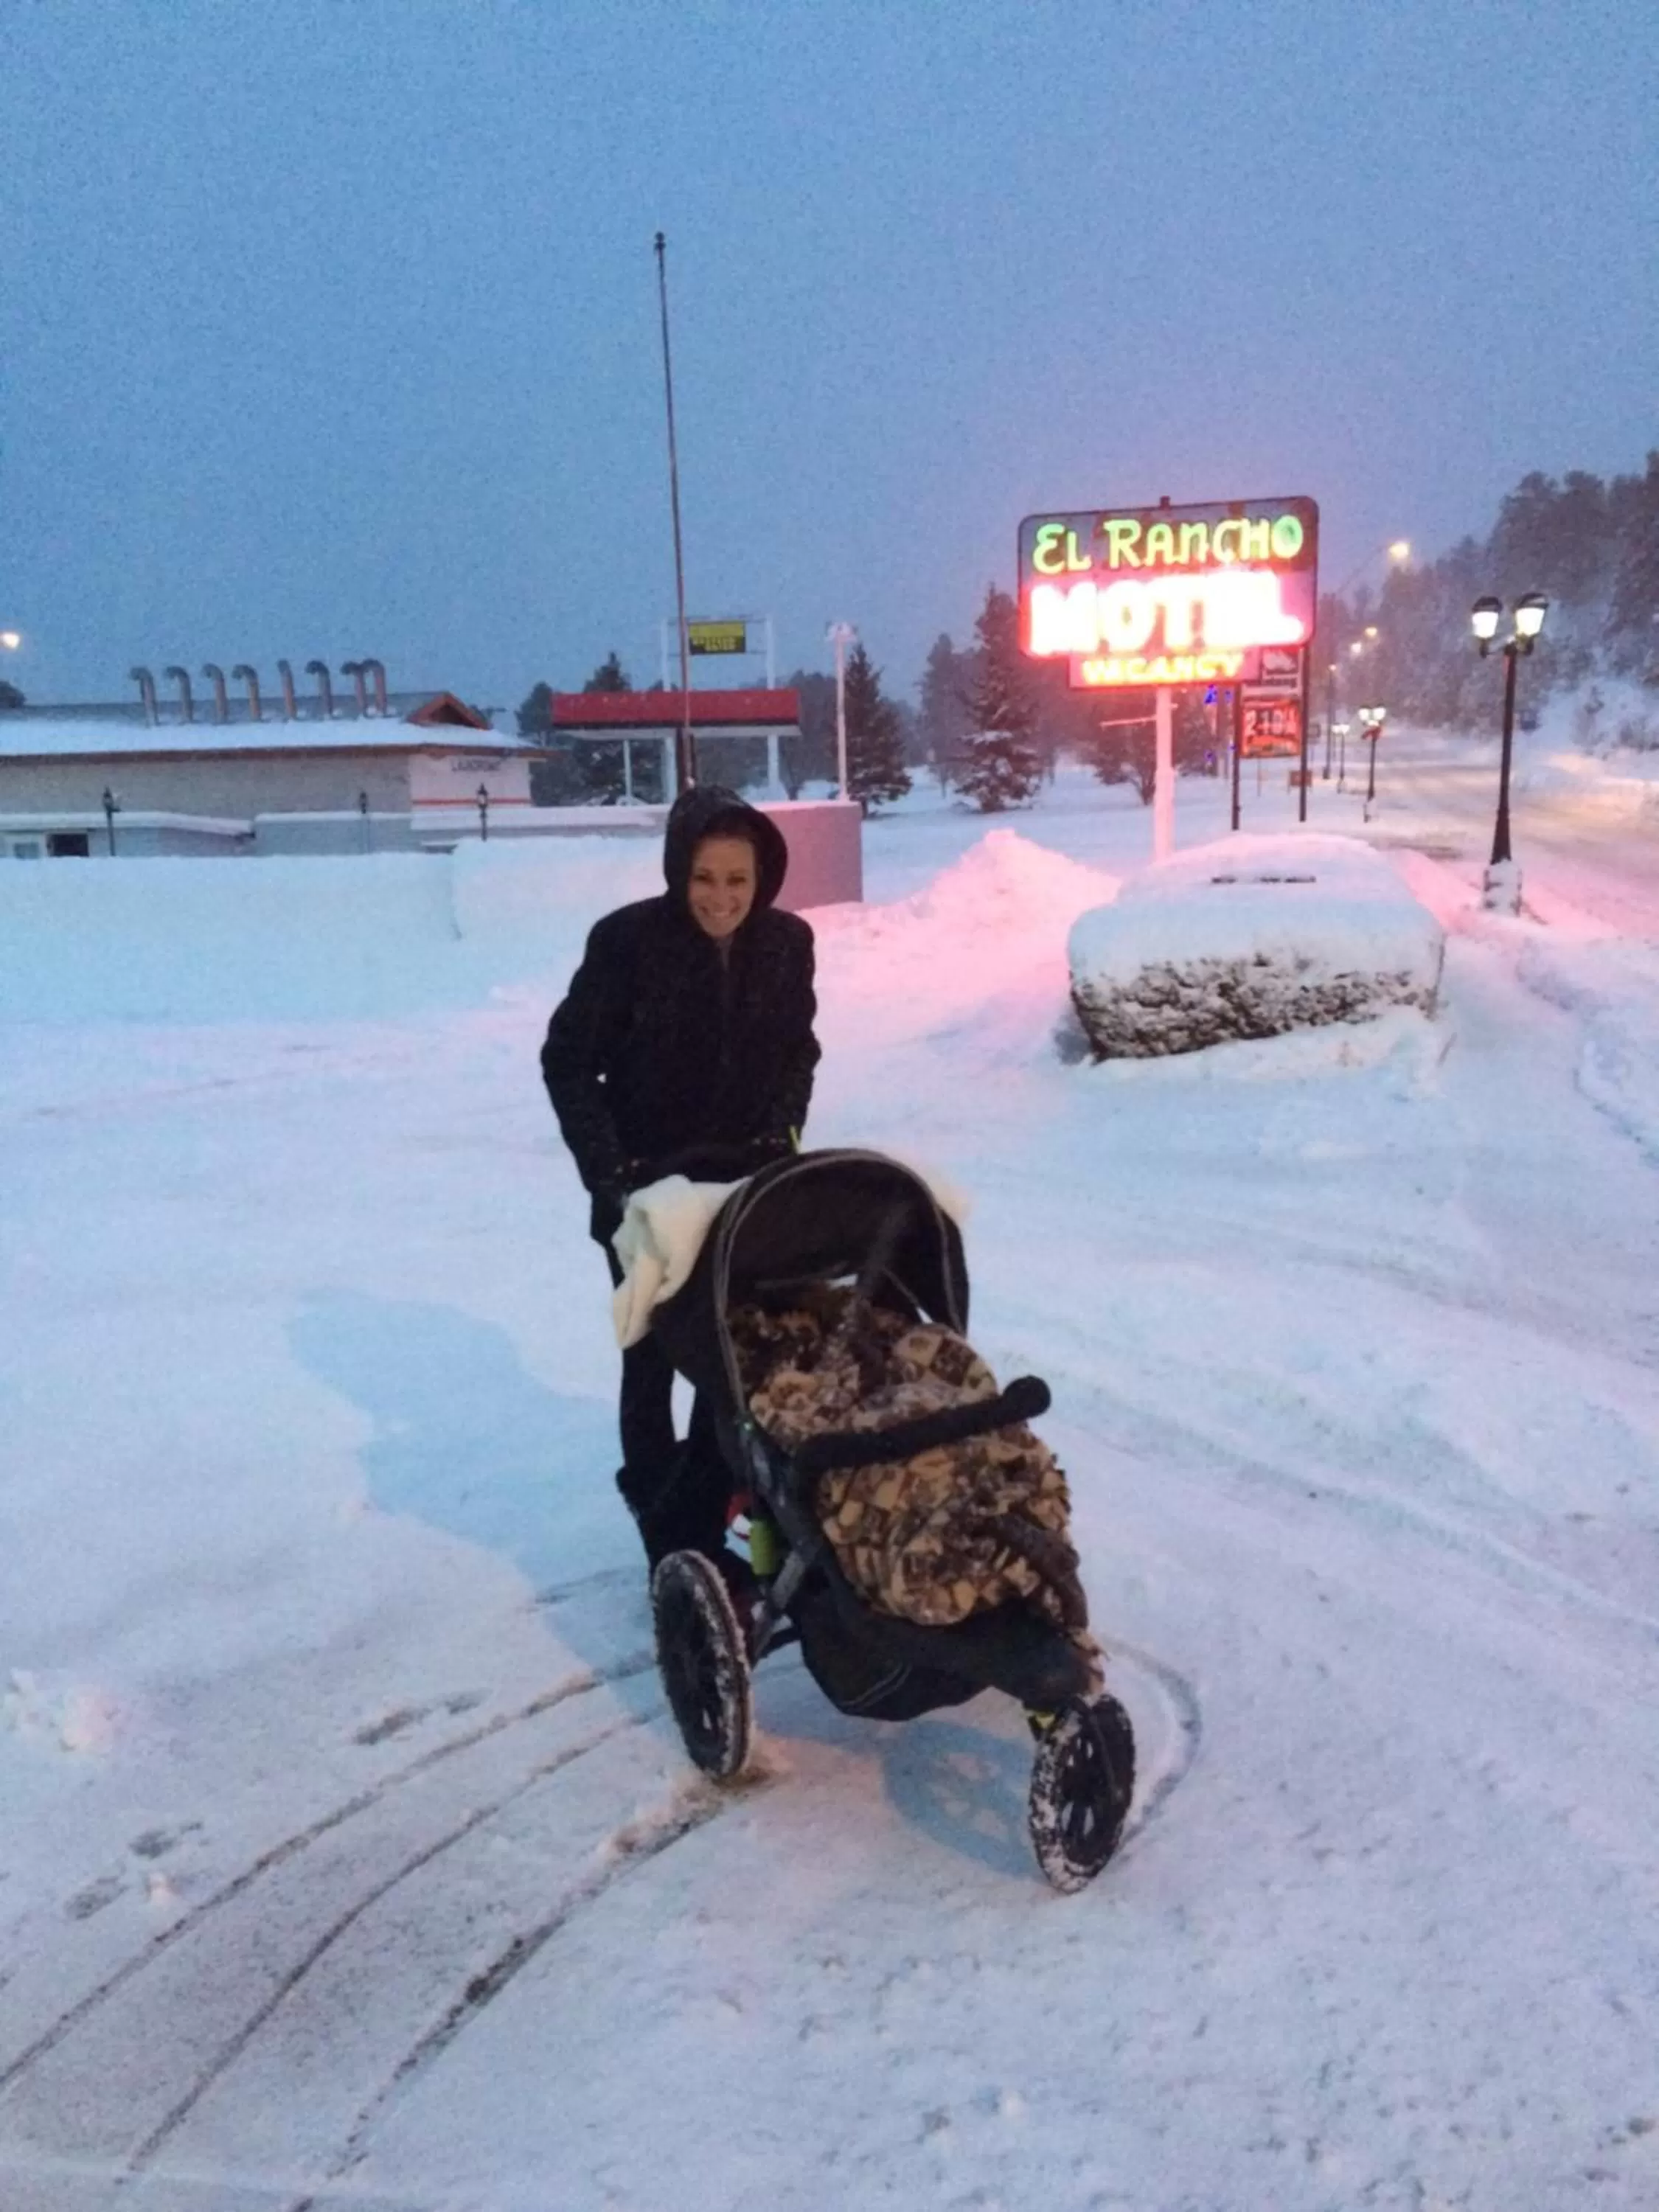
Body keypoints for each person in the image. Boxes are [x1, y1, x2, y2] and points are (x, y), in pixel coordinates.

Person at [540, 784, 821, 1573]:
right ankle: (666, 1535)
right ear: (677, 870)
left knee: (729, 1359)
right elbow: (568, 1063)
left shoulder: (787, 943)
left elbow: (798, 1051)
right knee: (654, 1358)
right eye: (704, 877)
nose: (721, 897)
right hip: (646, 1194)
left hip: (738, 1189)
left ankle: (701, 1507)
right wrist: (612, 1175)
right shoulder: (627, 943)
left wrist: (781, 1135)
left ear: (763, 876)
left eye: (738, 879)